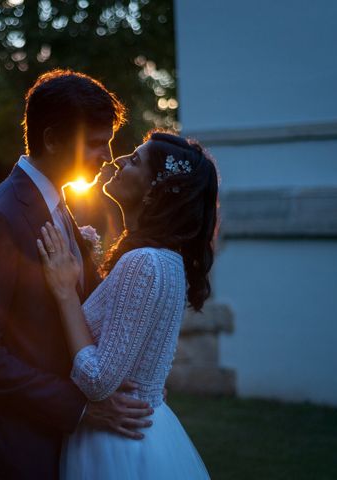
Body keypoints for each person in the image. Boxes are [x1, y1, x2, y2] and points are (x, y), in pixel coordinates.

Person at [0, 70, 156, 479]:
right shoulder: (0, 217)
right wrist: (79, 406)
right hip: (17, 445)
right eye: (96, 143)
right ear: (51, 139)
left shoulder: (59, 207)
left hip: (57, 441)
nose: (108, 156)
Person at [37, 131, 218, 479]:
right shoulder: (168, 261)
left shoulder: (145, 263)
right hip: (143, 430)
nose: (117, 161)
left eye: (134, 160)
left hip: (115, 443)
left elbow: (100, 381)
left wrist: (64, 293)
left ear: (154, 191)